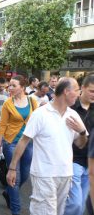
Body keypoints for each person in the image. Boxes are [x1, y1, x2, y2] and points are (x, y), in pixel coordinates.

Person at [7, 77, 88, 215]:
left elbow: (80, 144)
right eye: (77, 90)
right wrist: (12, 168)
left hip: (65, 174)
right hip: (44, 174)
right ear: (66, 92)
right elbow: (24, 141)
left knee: (58, 212)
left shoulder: (73, 115)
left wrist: (81, 132)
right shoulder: (41, 114)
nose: (79, 94)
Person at [0, 75, 38, 215]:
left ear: (22, 87)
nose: (10, 88)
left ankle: (8, 192)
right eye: (10, 85)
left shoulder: (32, 101)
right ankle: (16, 210)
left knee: (24, 175)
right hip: (11, 143)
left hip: (28, 143)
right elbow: (2, 125)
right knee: (14, 178)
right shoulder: (8, 103)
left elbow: (37, 121)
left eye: (13, 85)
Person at [65, 74, 94, 215]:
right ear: (82, 88)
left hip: (90, 163)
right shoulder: (70, 107)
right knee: (75, 204)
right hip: (73, 160)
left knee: (81, 204)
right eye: (92, 91)